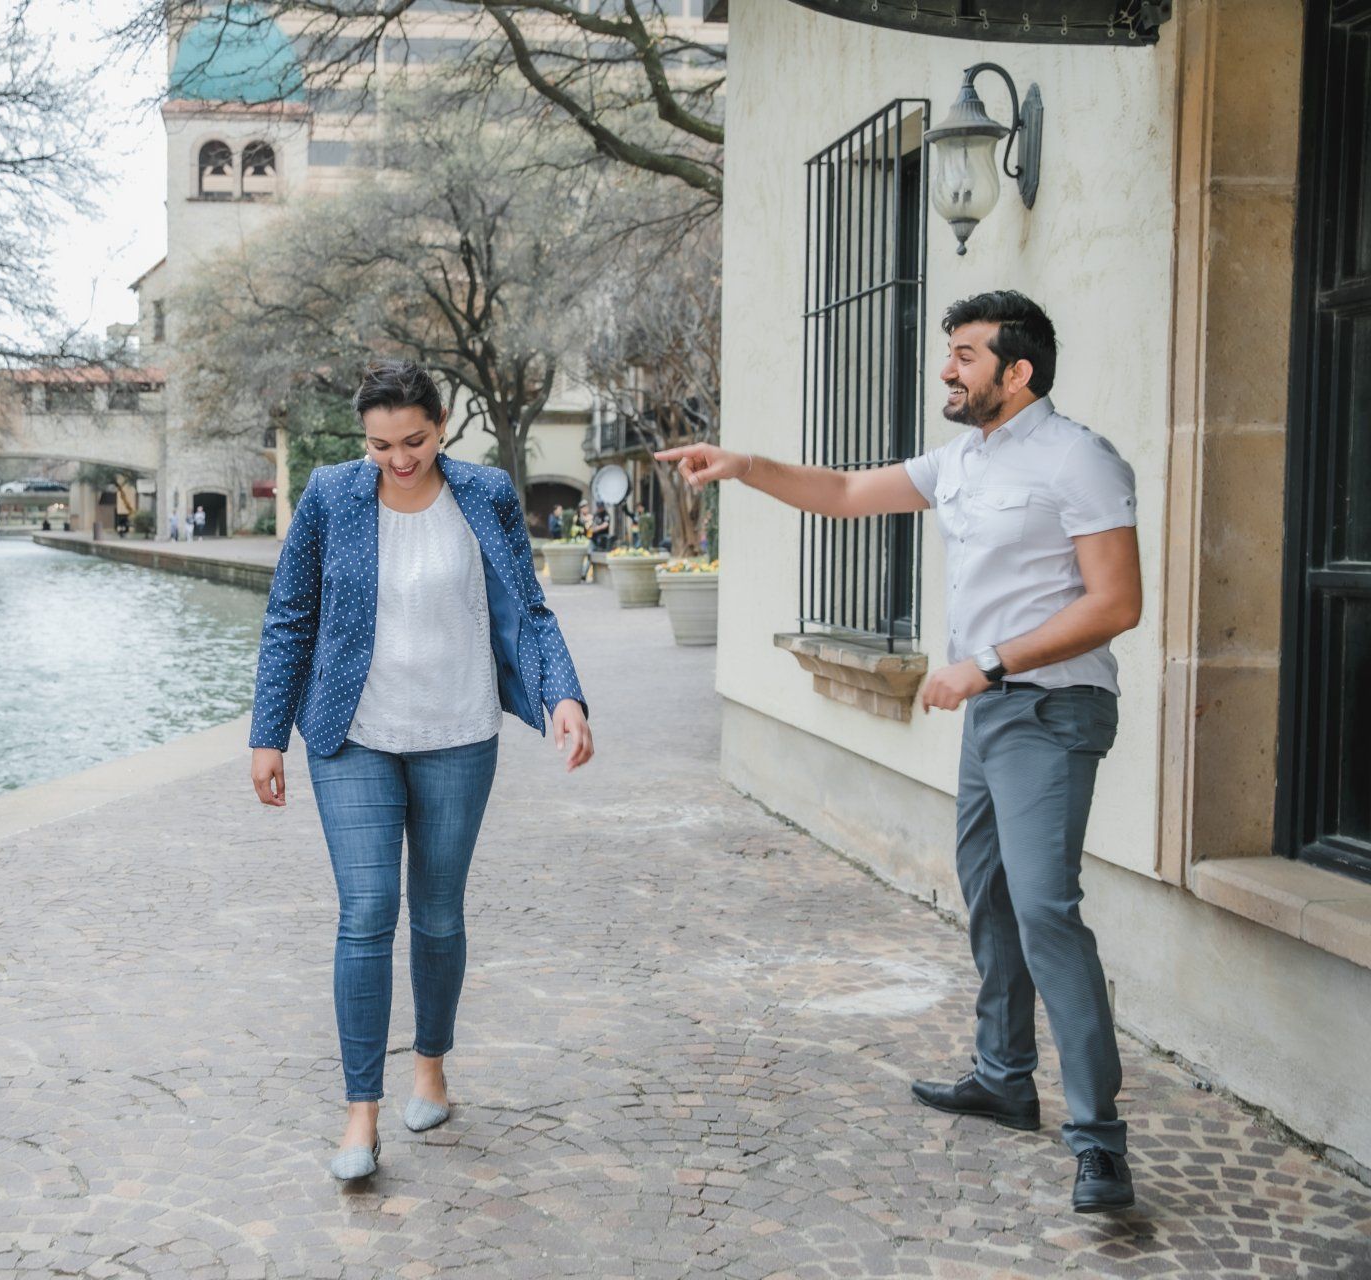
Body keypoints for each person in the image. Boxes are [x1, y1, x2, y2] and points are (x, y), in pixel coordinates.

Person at [658, 290, 1141, 1215]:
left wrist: (984, 666)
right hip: (993, 713)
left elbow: (1116, 603)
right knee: (991, 898)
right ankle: (1003, 1075)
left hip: (1050, 708)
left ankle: (1101, 1141)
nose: (947, 369)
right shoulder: (964, 461)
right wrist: (744, 463)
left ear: (1018, 370)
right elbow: (843, 494)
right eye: (949, 352)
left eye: (964, 354)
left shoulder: (1078, 459)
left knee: (1045, 909)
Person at [249, 360, 595, 1183]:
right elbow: (289, 616)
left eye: (415, 440)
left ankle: (431, 1064)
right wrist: (268, 734)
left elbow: (529, 609)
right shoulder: (333, 496)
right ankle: (359, 1116)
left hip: (459, 729)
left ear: (443, 425)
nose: (399, 459)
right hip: (353, 733)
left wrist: (564, 697)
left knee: (437, 913)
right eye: (380, 444)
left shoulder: (486, 494)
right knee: (367, 909)